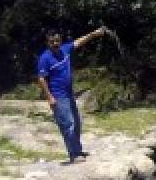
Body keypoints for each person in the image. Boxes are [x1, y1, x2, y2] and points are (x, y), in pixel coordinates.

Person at [37, 26, 108, 163]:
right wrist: (50, 97)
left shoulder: (65, 50)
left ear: (60, 40)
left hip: (69, 94)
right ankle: (74, 154)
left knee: (77, 123)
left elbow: (79, 42)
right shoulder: (45, 58)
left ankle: (78, 150)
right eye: (52, 42)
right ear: (48, 43)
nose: (55, 44)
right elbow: (41, 79)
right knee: (68, 124)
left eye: (57, 40)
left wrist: (94, 34)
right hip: (58, 96)